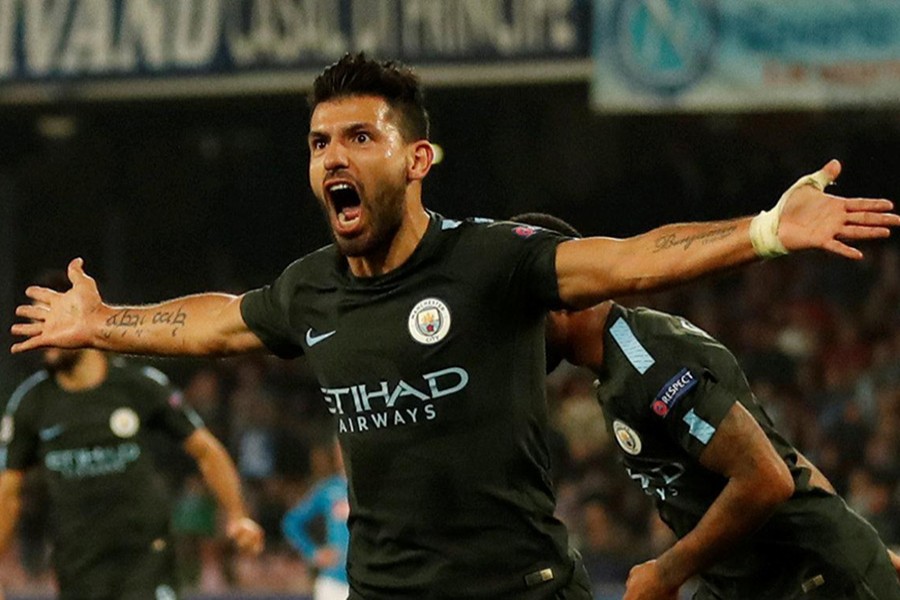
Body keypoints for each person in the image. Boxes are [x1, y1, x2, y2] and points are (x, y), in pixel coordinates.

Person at [9, 53, 899, 599]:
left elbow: (630, 259)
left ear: (417, 158)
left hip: (519, 589)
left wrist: (766, 233)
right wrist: (102, 321)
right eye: (320, 143)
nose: (333, 158)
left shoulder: (494, 261)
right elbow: (214, 326)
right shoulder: (310, 289)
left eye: (360, 137)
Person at [514, 212, 900, 599]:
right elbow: (780, 457)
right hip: (760, 581)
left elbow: (767, 477)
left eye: (522, 314)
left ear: (565, 295)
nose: (515, 335)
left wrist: (666, 573)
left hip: (815, 579)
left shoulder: (648, 364)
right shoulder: (620, 368)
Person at [0, 275, 265, 599]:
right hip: (78, 563)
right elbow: (8, 492)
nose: (44, 330)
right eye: (37, 319)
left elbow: (206, 450)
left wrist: (237, 515)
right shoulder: (32, 403)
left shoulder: (137, 386)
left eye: (53, 316)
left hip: (144, 556)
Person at [282, 438, 349, 600]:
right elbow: (291, 522)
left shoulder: (376, 492)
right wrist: (313, 552)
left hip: (368, 579)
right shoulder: (330, 489)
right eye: (340, 448)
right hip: (334, 582)